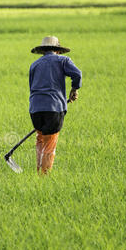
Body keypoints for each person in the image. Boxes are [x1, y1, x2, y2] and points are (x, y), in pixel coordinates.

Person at [29, 36, 82, 175]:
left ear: (43, 51)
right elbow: (77, 74)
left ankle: (39, 173)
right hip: (53, 108)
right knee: (49, 143)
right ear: (58, 50)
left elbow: (32, 87)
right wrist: (74, 89)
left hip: (35, 109)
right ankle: (44, 178)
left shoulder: (34, 65)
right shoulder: (63, 60)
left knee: (40, 139)